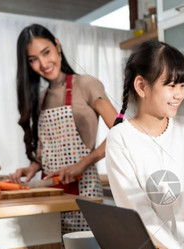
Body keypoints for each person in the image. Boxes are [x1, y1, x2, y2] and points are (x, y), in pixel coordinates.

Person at [105, 40, 184, 249]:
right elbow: (140, 214)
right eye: (171, 86)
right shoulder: (120, 138)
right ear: (142, 86)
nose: (180, 94)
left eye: (182, 85)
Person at [9, 24, 118, 238]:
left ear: (57, 45)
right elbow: (47, 148)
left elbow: (121, 131)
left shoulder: (86, 84)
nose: (43, 64)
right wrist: (32, 167)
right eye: (33, 60)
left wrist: (82, 164)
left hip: (84, 190)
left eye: (46, 52)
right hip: (51, 193)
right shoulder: (41, 98)